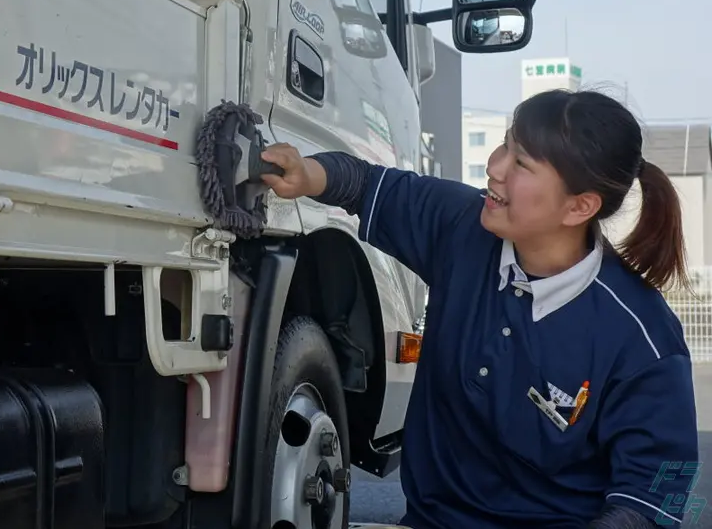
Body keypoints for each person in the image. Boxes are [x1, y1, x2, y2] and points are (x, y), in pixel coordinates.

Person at [260, 89, 700, 529]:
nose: (494, 167)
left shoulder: (642, 338)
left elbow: (651, 500)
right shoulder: (462, 227)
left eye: (521, 163)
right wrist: (306, 172)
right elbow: (365, 183)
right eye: (506, 143)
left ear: (580, 206)